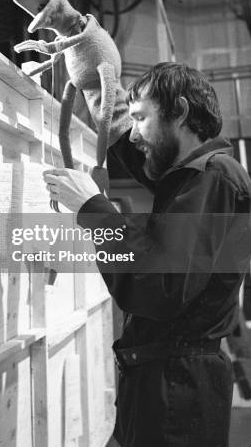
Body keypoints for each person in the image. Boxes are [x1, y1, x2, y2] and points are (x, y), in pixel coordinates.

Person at [43, 62, 251, 447]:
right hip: (164, 381)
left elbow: (160, 285)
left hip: (177, 393)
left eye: (141, 118)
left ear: (182, 112)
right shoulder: (194, 176)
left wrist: (91, 207)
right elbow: (136, 151)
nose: (134, 133)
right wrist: (86, 57)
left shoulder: (212, 177)